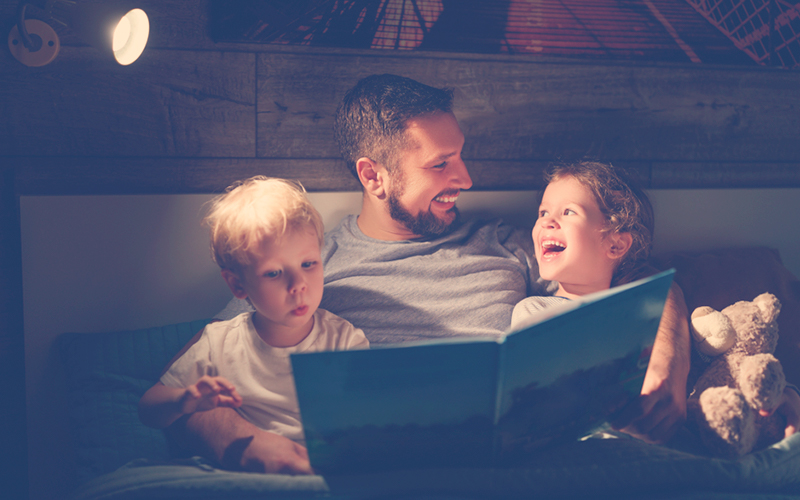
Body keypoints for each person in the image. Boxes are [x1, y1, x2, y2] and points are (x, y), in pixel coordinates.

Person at [171, 74, 692, 474]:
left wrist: (667, 359)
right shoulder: (307, 267)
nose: (465, 178)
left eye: (460, 156)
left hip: (507, 460)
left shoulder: (506, 244)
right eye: (441, 165)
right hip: (379, 463)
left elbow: (637, 276)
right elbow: (192, 376)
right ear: (374, 176)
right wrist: (257, 446)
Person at [140, 176, 368, 472]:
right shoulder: (219, 343)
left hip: (325, 471)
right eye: (274, 273)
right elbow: (148, 409)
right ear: (237, 285)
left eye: (309, 264)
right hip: (248, 474)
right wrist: (185, 400)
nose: (298, 285)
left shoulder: (344, 340)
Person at [510, 160, 655, 330]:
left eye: (569, 212)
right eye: (543, 212)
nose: (547, 221)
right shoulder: (535, 312)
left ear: (616, 245)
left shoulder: (638, 312)